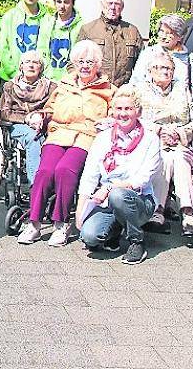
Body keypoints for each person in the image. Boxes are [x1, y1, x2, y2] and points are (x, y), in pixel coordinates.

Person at [17, 40, 115, 247]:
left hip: (86, 137)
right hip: (58, 133)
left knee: (64, 170)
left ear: (98, 65)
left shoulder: (108, 90)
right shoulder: (64, 84)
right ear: (74, 63)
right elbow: (50, 109)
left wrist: (109, 122)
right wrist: (39, 116)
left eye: (90, 62)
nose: (85, 66)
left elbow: (116, 115)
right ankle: (34, 223)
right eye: (81, 61)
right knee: (45, 171)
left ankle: (60, 223)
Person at [76, 84, 162, 264]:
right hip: (107, 201)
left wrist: (108, 188)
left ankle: (136, 241)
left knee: (118, 195)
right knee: (89, 237)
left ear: (138, 111)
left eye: (129, 109)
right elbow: (90, 175)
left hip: (139, 200)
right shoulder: (103, 138)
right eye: (119, 108)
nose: (123, 114)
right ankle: (116, 228)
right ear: (113, 111)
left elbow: (143, 179)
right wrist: (80, 211)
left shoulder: (150, 139)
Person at [136, 51, 193, 233]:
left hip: (180, 143)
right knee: (165, 157)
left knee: (179, 157)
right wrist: (159, 130)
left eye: (168, 68)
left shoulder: (183, 90)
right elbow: (135, 119)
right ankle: (159, 210)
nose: (164, 71)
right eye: (159, 67)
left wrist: (180, 132)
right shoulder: (139, 90)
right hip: (153, 143)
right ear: (150, 71)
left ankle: (187, 212)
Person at [0, 50, 58, 184]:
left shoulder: (51, 87)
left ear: (41, 68)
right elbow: (4, 113)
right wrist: (26, 119)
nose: (31, 65)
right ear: (21, 66)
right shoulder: (10, 87)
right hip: (18, 125)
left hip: (44, 124)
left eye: (35, 62)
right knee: (34, 138)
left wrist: (40, 116)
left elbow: (55, 109)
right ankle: (36, 185)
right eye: (27, 62)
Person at [78, 0, 144, 87]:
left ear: (122, 7)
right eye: (109, 3)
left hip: (122, 92)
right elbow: (74, 62)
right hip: (95, 89)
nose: (113, 7)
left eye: (117, 4)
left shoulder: (132, 31)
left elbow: (143, 64)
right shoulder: (88, 30)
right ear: (102, 5)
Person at [131, 13, 193, 100]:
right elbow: (135, 82)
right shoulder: (148, 54)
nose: (163, 36)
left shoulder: (188, 60)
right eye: (162, 31)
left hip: (178, 109)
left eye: (169, 33)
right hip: (150, 107)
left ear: (180, 37)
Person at [0, 0, 52, 82]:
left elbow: (49, 50)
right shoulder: (10, 16)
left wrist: (39, 73)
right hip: (10, 77)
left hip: (38, 79)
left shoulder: (48, 19)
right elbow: (3, 47)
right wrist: (14, 72)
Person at [41, 0, 84, 81]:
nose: (62, 6)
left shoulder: (82, 26)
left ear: (73, 3)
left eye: (66, 2)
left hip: (69, 81)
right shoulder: (47, 23)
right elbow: (41, 50)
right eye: (59, 2)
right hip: (47, 79)